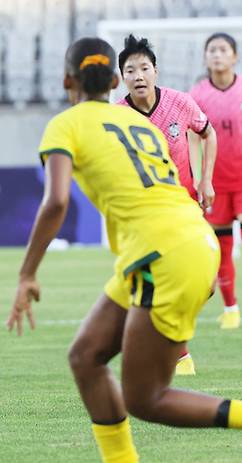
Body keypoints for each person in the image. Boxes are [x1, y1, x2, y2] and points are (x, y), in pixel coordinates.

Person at [7, 37, 242, 463]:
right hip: (188, 237)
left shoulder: (67, 124)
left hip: (161, 253)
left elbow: (57, 201)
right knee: (85, 356)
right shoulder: (139, 124)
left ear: (67, 81)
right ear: (116, 81)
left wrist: (27, 273)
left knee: (146, 398)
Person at [117, 34, 218, 375]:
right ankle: (179, 355)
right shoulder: (116, 117)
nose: (139, 75)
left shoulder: (180, 103)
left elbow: (208, 133)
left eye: (144, 67)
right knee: (168, 280)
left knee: (207, 285)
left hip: (187, 206)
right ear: (122, 77)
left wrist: (205, 179)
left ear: (156, 71)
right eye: (131, 70)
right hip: (149, 215)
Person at [190, 33, 241, 330]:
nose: (217, 55)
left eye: (223, 50)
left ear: (234, 56)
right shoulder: (197, 95)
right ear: (205, 57)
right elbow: (193, 137)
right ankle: (231, 309)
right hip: (216, 185)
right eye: (212, 50)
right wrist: (199, 177)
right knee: (221, 247)